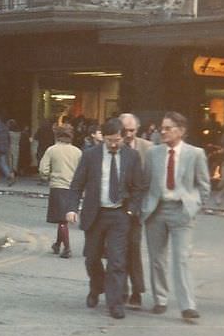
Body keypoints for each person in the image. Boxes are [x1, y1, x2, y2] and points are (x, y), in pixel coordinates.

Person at [66, 118, 144, 320]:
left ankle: (115, 303)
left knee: (117, 261)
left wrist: (131, 211)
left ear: (122, 136)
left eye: (117, 139)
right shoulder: (90, 155)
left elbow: (138, 188)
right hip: (96, 214)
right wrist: (72, 208)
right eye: (110, 140)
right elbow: (77, 184)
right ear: (102, 138)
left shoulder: (132, 156)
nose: (114, 144)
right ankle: (96, 286)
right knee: (91, 258)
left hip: (120, 215)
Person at [141, 111, 211, 321]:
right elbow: (146, 182)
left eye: (168, 128)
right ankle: (160, 299)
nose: (163, 131)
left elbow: (204, 185)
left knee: (181, 259)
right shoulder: (154, 153)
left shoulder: (195, 154)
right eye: (162, 127)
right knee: (157, 259)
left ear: (181, 131)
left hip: (181, 210)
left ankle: (187, 305)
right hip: (157, 210)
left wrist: (194, 204)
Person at [119, 113, 154, 308]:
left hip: (137, 208)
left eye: (132, 130)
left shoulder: (148, 149)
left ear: (138, 130)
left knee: (133, 248)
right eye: (125, 130)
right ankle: (121, 290)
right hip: (117, 207)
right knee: (117, 251)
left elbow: (151, 180)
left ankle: (137, 291)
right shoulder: (114, 145)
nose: (129, 134)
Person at [38, 124, 82, 258]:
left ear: (57, 135)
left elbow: (43, 170)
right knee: (63, 219)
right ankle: (57, 244)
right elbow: (82, 170)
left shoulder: (52, 150)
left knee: (62, 219)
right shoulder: (78, 151)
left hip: (58, 187)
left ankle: (67, 248)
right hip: (73, 189)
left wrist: (47, 177)